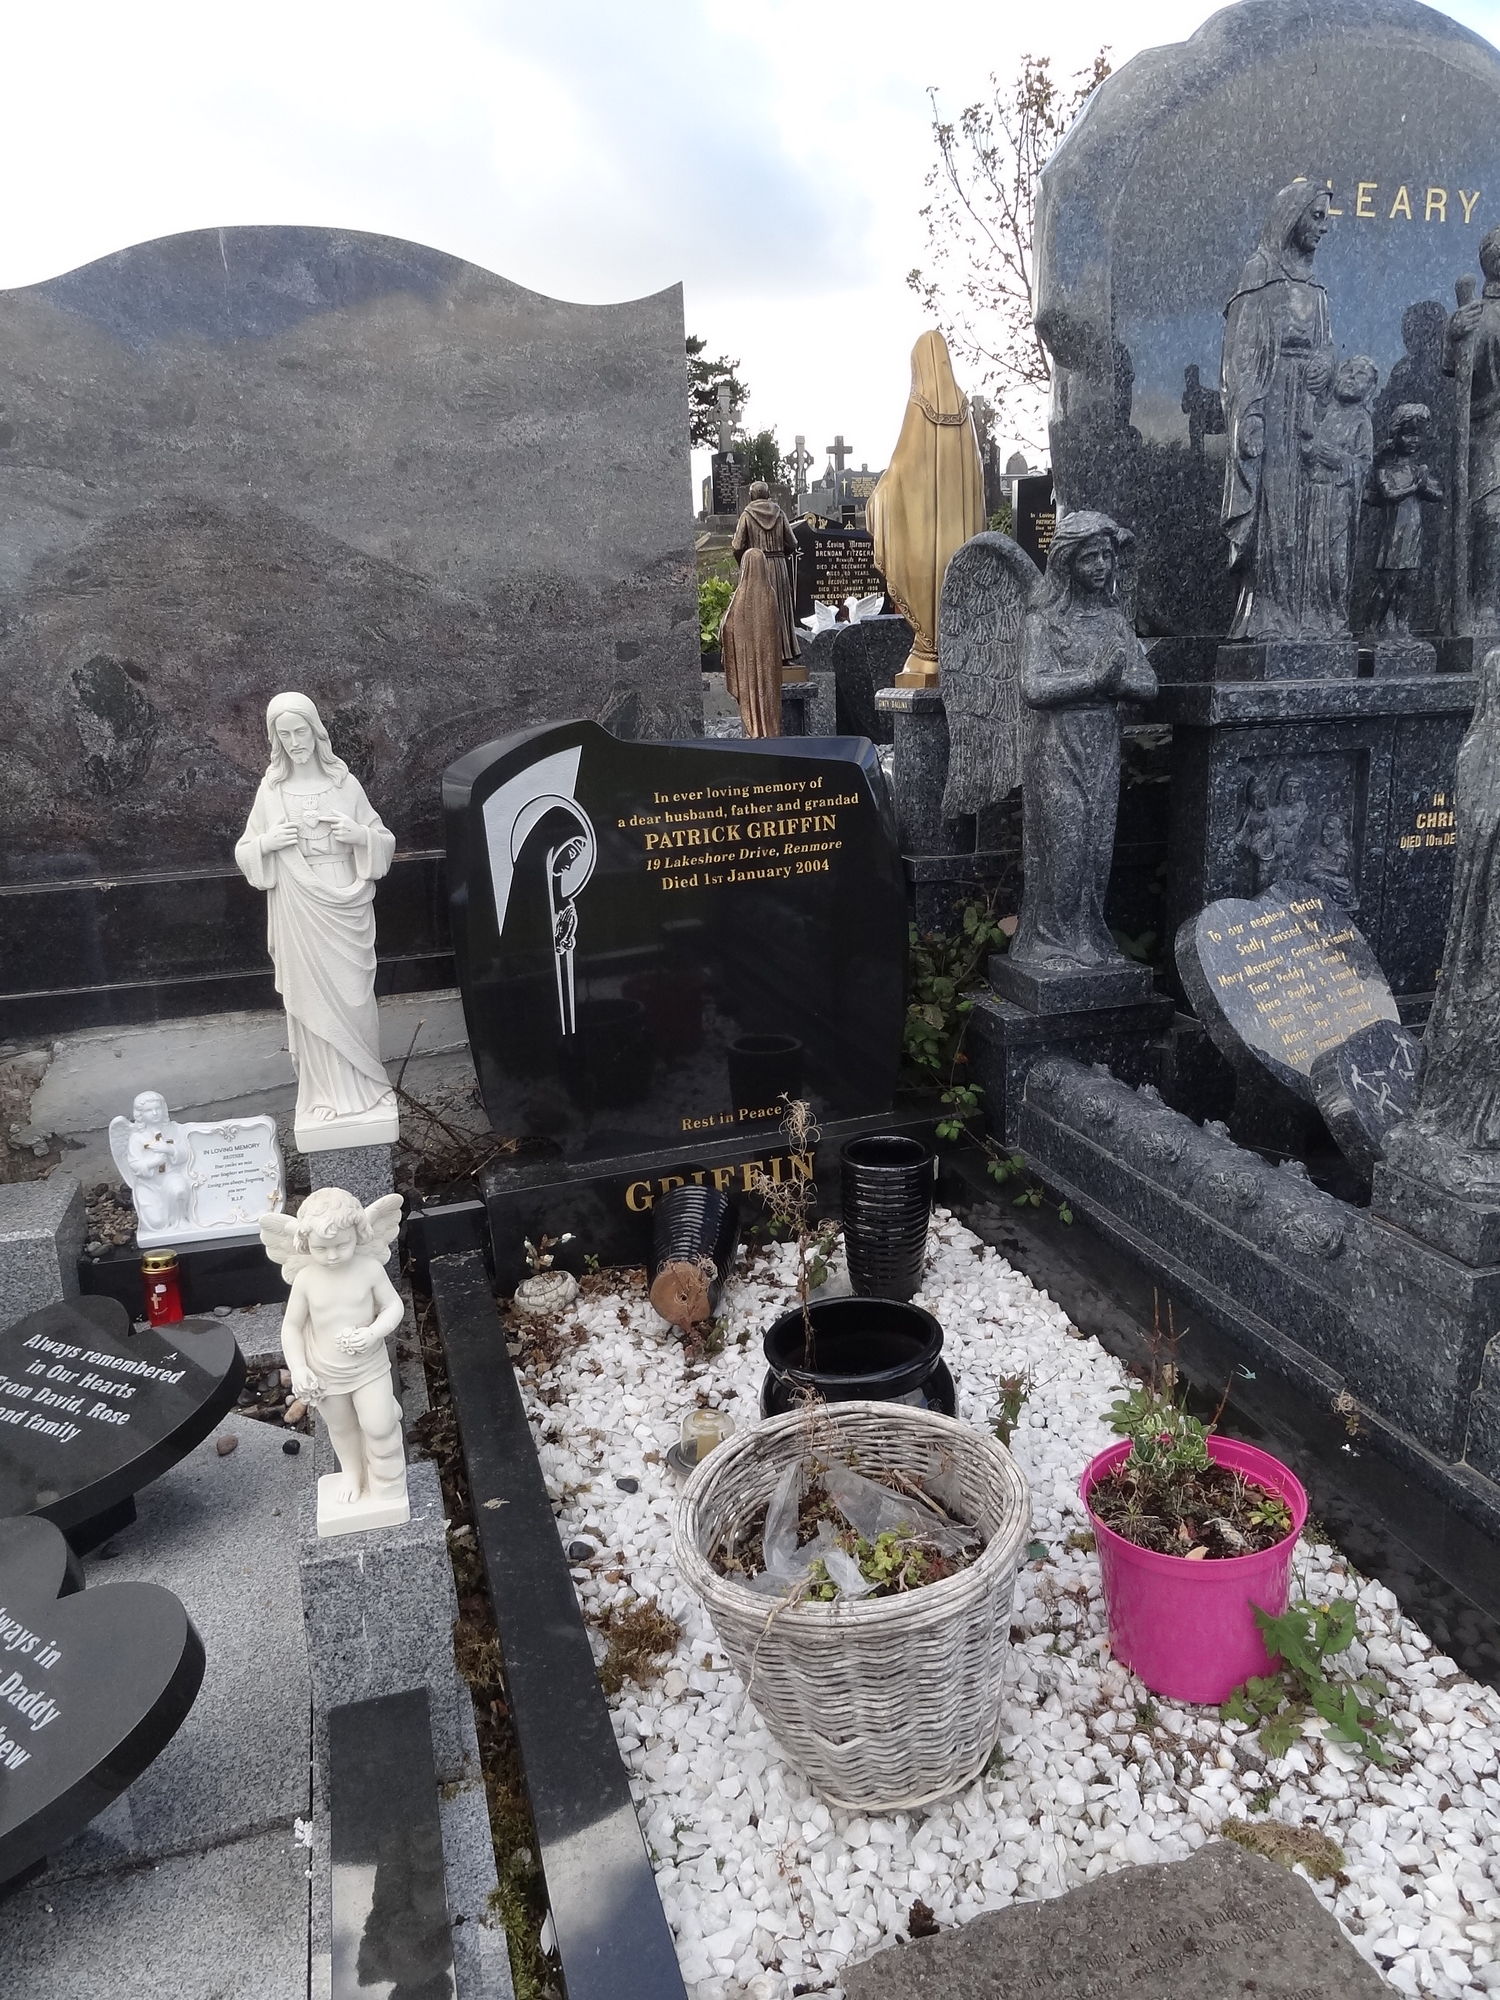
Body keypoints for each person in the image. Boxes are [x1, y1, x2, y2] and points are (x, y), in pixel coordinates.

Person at [234, 692, 397, 1139]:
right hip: (298, 905)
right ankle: (325, 1094)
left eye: (300, 731)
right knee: (312, 998)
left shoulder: (345, 785)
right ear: (275, 740)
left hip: (345, 900)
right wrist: (268, 843)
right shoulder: (271, 792)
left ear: (316, 731)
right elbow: (246, 850)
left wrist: (359, 835)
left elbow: (383, 840)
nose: (294, 742)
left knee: (355, 997)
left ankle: (368, 1085)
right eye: (284, 735)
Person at [1010, 512, 1158, 974]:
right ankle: (1051, 942)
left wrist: (1116, 683)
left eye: (1107, 556)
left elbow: (1148, 684)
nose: (1100, 566)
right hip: (1057, 745)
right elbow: (1034, 687)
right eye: (1089, 557)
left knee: (1097, 845)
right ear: (1067, 562)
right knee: (1066, 845)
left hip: (1102, 744)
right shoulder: (1044, 622)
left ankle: (1088, 936)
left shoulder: (1114, 622)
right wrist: (1094, 678)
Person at [1221, 182, 1337, 639]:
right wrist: (1248, 414)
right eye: (1317, 216)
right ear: (1292, 216)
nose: (1324, 228)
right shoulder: (1260, 271)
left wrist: (1325, 364)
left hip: (1306, 412)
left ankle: (1305, 613)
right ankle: (1266, 613)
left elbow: (1327, 344)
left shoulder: (1316, 286)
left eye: (1326, 217)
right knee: (1275, 510)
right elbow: (1241, 350)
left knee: (1308, 512)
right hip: (1271, 407)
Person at [1446, 228, 1500, 630]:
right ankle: (1485, 604)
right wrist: (1454, 336)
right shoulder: (1476, 315)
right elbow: (1457, 369)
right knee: (1490, 514)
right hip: (1488, 431)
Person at [1302, 355, 1378, 635]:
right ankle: (1309, 615)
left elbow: (1363, 466)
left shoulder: (1361, 421)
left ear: (1370, 389)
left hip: (1339, 502)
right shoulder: (1320, 409)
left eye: (1361, 375)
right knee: (1311, 559)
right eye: (1349, 370)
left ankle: (1334, 616)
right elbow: (1304, 442)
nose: (1352, 378)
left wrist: (1338, 459)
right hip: (1312, 496)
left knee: (1336, 562)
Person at [1367, 403, 1444, 634]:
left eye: (1417, 435)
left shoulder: (1417, 470)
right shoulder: (1385, 470)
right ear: (1395, 435)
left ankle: (1403, 627)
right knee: (1387, 586)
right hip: (1393, 539)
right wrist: (1414, 487)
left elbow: (1437, 494)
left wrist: (1423, 486)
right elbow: (1389, 494)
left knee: (1409, 585)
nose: (1413, 441)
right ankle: (1372, 628)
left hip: (1413, 537)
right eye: (1408, 434)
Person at [731, 481, 801, 667]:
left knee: (758, 610)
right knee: (780, 610)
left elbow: (737, 546)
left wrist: (745, 563)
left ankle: (761, 656)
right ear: (768, 494)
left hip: (757, 568)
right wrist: (780, 555)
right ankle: (784, 654)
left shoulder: (747, 514)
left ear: (751, 495)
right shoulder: (779, 513)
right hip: (779, 566)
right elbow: (793, 543)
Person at [720, 547, 786, 738]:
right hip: (767, 666)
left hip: (747, 665)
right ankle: (770, 729)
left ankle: (754, 729)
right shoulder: (770, 595)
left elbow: (727, 627)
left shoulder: (740, 596)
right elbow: (778, 631)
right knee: (769, 695)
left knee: (750, 691)